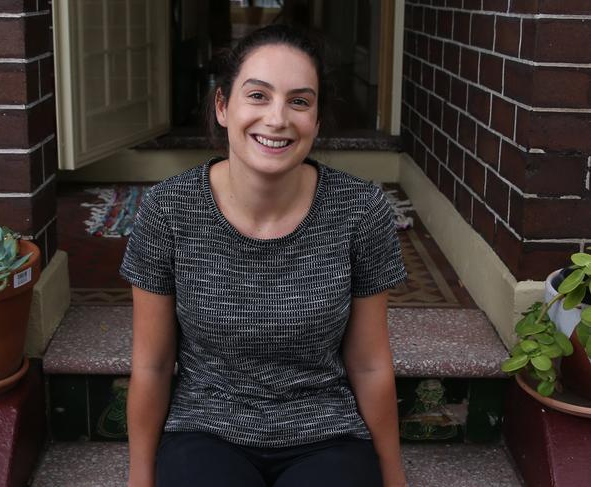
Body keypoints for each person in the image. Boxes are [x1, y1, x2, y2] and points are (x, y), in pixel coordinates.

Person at [120, 24, 407, 487]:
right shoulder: (168, 210)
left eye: (299, 101)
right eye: (257, 96)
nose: (277, 119)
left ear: (316, 119)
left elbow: (370, 363)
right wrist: (139, 479)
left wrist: (394, 479)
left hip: (326, 432)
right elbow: (152, 365)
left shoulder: (360, 210)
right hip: (205, 430)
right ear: (222, 106)